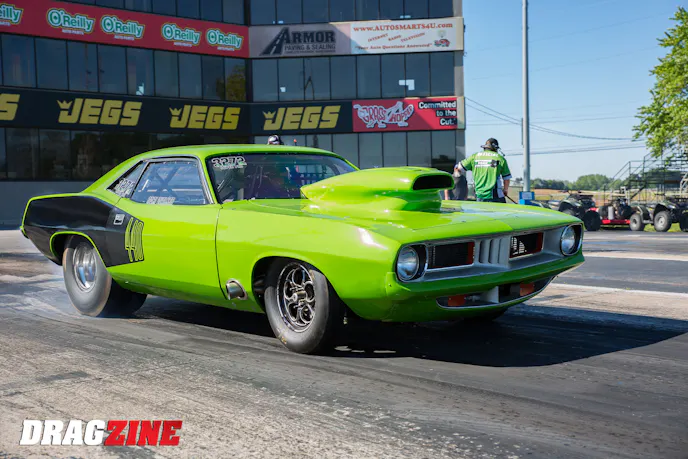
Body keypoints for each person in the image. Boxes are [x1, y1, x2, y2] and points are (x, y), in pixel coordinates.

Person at [457, 138, 512, 203]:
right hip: (495, 196)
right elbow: (506, 178)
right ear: (495, 148)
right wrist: (505, 190)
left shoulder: (474, 157)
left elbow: (459, 168)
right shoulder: (499, 158)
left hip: (479, 196)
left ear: (485, 147)